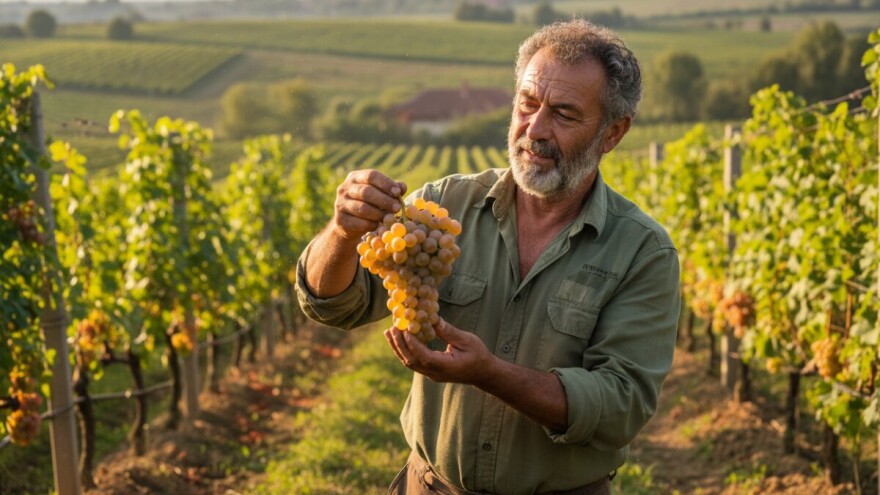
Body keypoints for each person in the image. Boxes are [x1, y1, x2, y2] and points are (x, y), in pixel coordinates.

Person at [295, 19, 680, 495]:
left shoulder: (643, 252)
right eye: (527, 104)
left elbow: (620, 407)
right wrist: (342, 231)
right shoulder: (443, 207)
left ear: (612, 133)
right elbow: (333, 304)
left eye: (563, 113)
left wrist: (490, 374)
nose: (534, 129)